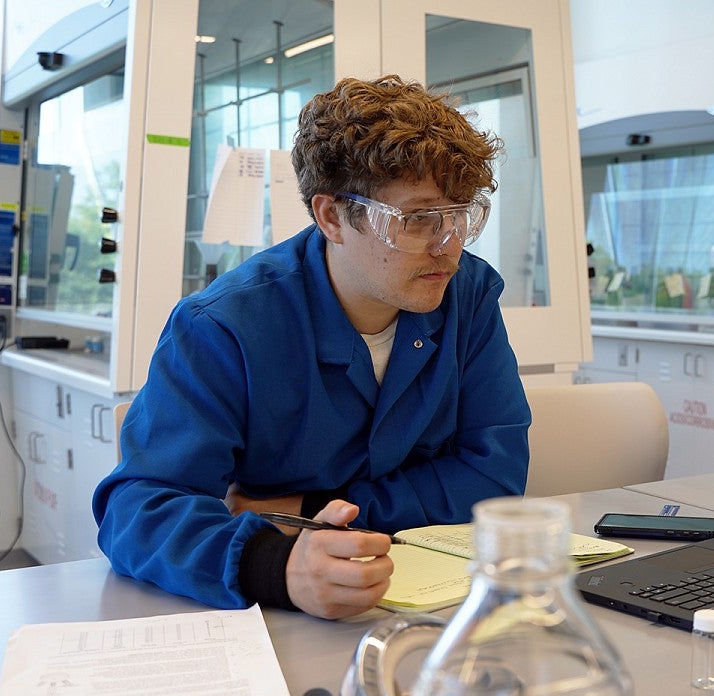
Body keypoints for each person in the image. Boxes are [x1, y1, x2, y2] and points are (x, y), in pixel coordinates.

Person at [93, 75, 530, 620]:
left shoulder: (468, 297)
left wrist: (308, 510)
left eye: (460, 214)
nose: (450, 245)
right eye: (418, 219)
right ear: (331, 217)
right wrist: (277, 565)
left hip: (438, 605)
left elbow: (495, 476)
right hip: (282, 622)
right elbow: (138, 510)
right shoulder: (224, 326)